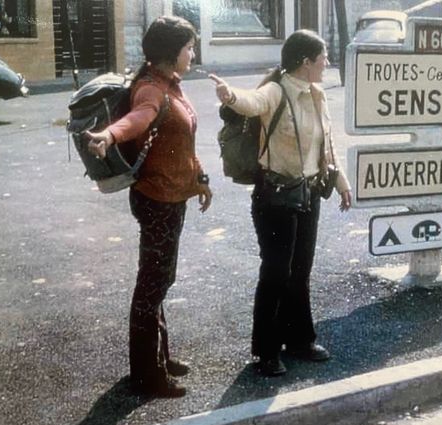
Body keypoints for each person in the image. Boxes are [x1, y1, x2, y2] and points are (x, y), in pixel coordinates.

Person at [210, 30, 352, 377]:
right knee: (276, 272)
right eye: (323, 58)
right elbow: (250, 102)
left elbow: (327, 146)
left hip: (308, 192)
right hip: (274, 196)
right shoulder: (276, 90)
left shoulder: (318, 95)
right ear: (306, 62)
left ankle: (300, 340)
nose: (327, 63)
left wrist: (342, 182)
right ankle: (266, 351)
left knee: (300, 270)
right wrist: (229, 95)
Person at [86, 16, 212, 397]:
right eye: (189, 48)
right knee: (152, 284)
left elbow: (182, 142)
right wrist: (109, 134)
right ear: (171, 54)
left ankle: (159, 356)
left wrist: (201, 180)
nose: (193, 53)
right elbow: (137, 120)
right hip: (158, 199)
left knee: (160, 279)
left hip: (172, 194)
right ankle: (146, 374)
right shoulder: (151, 89)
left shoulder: (170, 84)